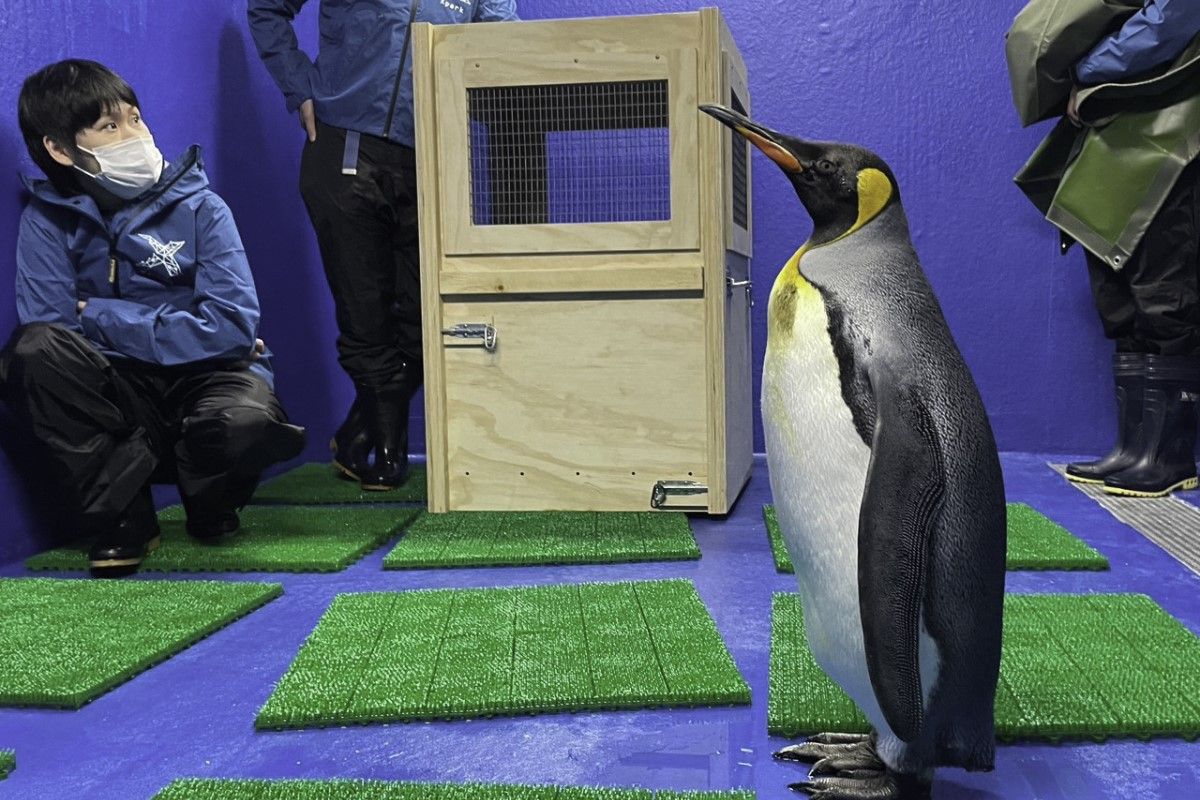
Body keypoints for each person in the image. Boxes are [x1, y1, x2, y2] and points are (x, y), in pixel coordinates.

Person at [1, 60, 306, 577]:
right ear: (58, 149)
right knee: (33, 351)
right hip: (124, 397)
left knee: (244, 423)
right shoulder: (46, 221)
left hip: (213, 381)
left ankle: (210, 501)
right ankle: (127, 517)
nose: (133, 135)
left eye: (135, 118)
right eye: (109, 126)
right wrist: (185, 327)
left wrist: (99, 313)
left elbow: (231, 327)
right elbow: (54, 335)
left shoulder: (203, 207)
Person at [247, 0, 518, 491]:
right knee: (364, 312)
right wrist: (301, 86)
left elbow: (504, 47)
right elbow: (267, 8)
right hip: (344, 147)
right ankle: (389, 451)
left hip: (433, 152)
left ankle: (358, 432)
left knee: (429, 317)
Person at [1016, 1, 1200, 497]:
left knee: (1163, 286)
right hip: (1131, 121)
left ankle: (1168, 456)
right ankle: (1135, 449)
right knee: (1121, 286)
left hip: (1170, 122)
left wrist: (1090, 69)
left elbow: (1173, 16)